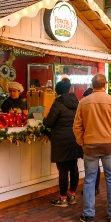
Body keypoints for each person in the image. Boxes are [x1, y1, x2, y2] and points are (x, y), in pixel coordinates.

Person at [73, 74, 111, 222]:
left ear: (92, 85)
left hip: (89, 145)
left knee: (89, 179)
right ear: (105, 84)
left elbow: (77, 126)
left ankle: (88, 215)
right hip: (108, 144)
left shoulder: (84, 102)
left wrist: (82, 141)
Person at [43, 79, 83, 207]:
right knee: (74, 167)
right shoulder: (77, 102)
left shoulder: (58, 103)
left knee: (63, 170)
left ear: (57, 91)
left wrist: (43, 119)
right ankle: (72, 196)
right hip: (75, 138)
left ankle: (63, 198)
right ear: (69, 89)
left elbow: (49, 122)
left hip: (61, 140)